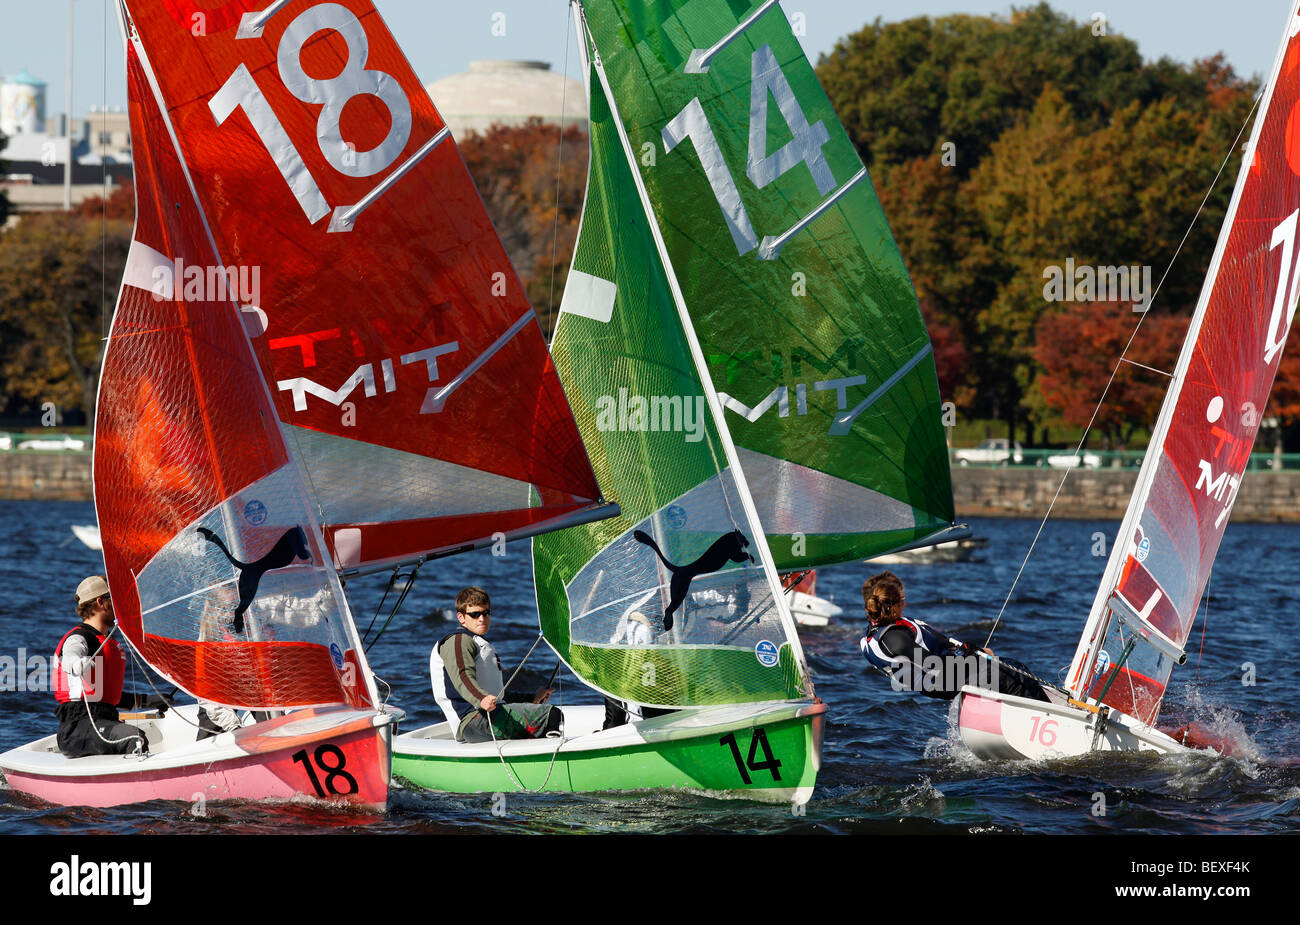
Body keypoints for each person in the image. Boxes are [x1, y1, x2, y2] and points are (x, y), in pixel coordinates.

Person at [859, 570, 1049, 702]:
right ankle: (1048, 716)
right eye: (902, 601)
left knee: (1014, 666)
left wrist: (971, 650)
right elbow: (933, 665)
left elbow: (941, 641)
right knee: (1010, 676)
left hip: (945, 675)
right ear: (890, 607)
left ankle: (1036, 705)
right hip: (941, 682)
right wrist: (970, 658)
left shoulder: (885, 627)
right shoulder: (893, 639)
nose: (905, 604)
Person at [54, 576, 167, 757]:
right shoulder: (81, 638)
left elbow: (109, 698)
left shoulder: (108, 641)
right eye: (114, 599)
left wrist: (154, 700)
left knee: (127, 734)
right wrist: (77, 663)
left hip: (103, 722)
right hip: (78, 728)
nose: (119, 605)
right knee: (134, 738)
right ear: (101, 602)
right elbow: (71, 653)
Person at [436, 587, 562, 743]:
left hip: (487, 716)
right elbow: (462, 676)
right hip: (472, 721)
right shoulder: (459, 641)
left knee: (548, 714)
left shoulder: (478, 643)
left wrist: (532, 698)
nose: (482, 619)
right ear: (461, 617)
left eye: (486, 613)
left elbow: (496, 696)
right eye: (474, 615)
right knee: (550, 715)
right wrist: (481, 699)